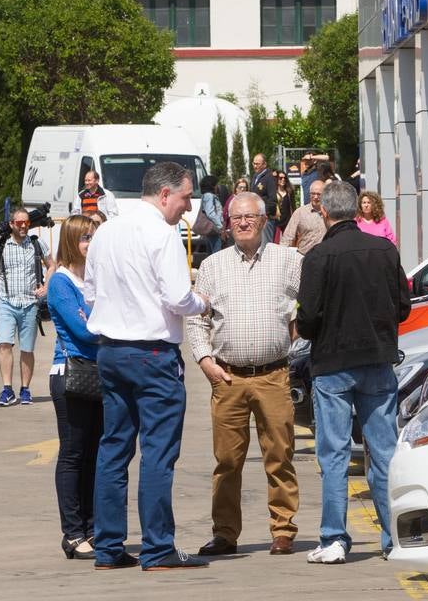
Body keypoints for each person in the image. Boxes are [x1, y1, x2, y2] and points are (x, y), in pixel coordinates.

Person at [84, 161, 211, 571]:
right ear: (164, 195)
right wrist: (204, 303)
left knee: (113, 448)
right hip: (153, 354)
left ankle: (107, 547)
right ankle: (157, 548)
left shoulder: (105, 231)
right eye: (185, 197)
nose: (187, 207)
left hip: (111, 350)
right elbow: (178, 297)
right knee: (157, 452)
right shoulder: (162, 233)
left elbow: (91, 293)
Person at [296, 181, 410, 563]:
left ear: (324, 213)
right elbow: (404, 307)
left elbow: (308, 319)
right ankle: (393, 537)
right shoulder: (384, 250)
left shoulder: (318, 257)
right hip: (378, 360)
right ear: (357, 213)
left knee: (334, 454)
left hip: (333, 364)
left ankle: (333, 539)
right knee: (384, 453)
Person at [187, 192, 302, 558]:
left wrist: (297, 342)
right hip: (229, 378)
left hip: (273, 375)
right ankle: (224, 534)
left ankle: (283, 530)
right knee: (227, 461)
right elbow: (196, 319)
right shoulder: (213, 266)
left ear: (265, 220)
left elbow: (312, 306)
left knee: (279, 456)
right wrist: (206, 361)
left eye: (249, 217)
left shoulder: (289, 261)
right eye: (236, 218)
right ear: (227, 223)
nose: (242, 223)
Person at [47, 214, 102, 560]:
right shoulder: (61, 282)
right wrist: (106, 321)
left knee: (95, 454)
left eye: (94, 237)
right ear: (70, 242)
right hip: (70, 373)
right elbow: (83, 332)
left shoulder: (95, 280)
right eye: (85, 238)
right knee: (73, 453)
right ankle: (73, 532)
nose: (90, 244)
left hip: (99, 373)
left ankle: (94, 528)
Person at [0, 206, 51, 407]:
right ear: (11, 224)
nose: (23, 226)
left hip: (29, 304)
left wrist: (46, 286)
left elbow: (52, 264)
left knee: (27, 349)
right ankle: (7, 389)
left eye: (26, 222)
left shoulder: (37, 244)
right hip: (6, 302)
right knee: (4, 344)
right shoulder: (1, 245)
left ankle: (25, 389)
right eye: (19, 223)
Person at [281, 177, 327, 255]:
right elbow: (287, 238)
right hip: (304, 257)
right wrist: (281, 254)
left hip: (325, 258)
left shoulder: (331, 213)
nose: (315, 197)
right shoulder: (300, 212)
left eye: (319, 194)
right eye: (313, 194)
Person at [250, 154, 278, 242]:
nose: (255, 166)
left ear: (264, 164)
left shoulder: (269, 178)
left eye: (257, 164)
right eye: (254, 163)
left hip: (265, 218)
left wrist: (265, 214)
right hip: (255, 217)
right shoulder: (255, 176)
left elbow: (272, 199)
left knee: (266, 244)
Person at [198, 175, 225, 256]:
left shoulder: (207, 196)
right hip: (214, 229)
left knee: (211, 253)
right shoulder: (209, 196)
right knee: (216, 254)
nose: (218, 187)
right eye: (216, 184)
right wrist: (220, 226)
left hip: (211, 229)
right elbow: (210, 213)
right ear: (212, 185)